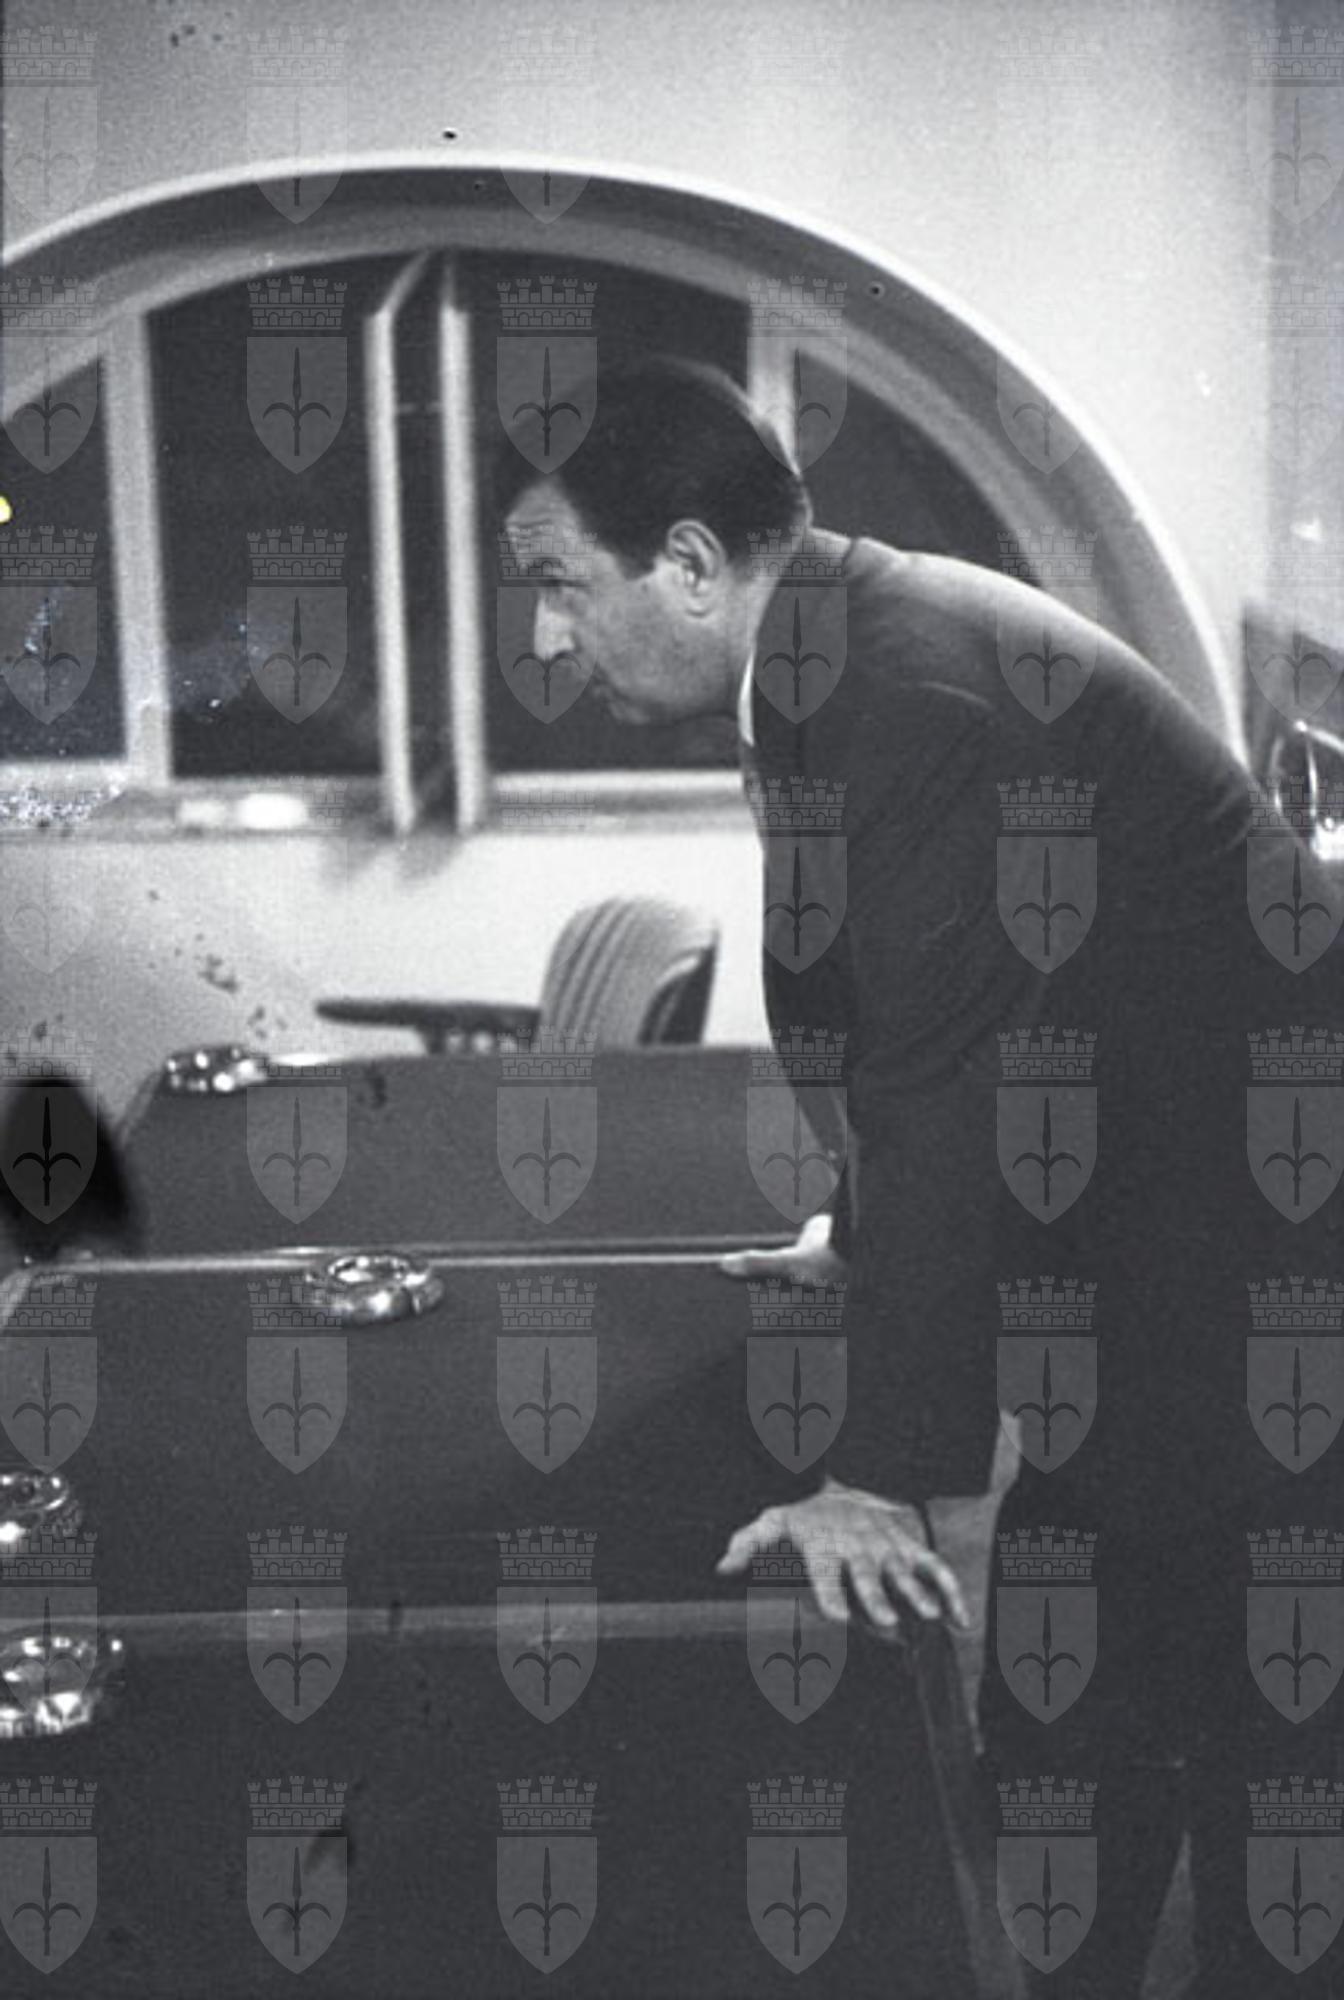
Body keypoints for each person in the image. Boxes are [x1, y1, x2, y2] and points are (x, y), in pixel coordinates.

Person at [498, 357, 1340, 1998]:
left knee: (1244, 1758)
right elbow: (924, 1021)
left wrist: (881, 1479)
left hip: (1259, 1271)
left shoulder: (905, 692)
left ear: (689, 563)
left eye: (559, 585)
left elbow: (948, 1079)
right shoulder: (841, 651)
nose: (542, 638)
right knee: (1074, 1725)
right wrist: (863, 1236)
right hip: (1167, 1249)